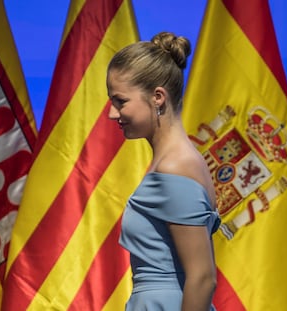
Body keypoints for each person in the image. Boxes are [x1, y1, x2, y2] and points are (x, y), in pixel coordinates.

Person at [106, 31, 221, 311]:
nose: (112, 113)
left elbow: (203, 277)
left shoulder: (175, 167)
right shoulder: (179, 161)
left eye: (120, 101)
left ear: (158, 97)